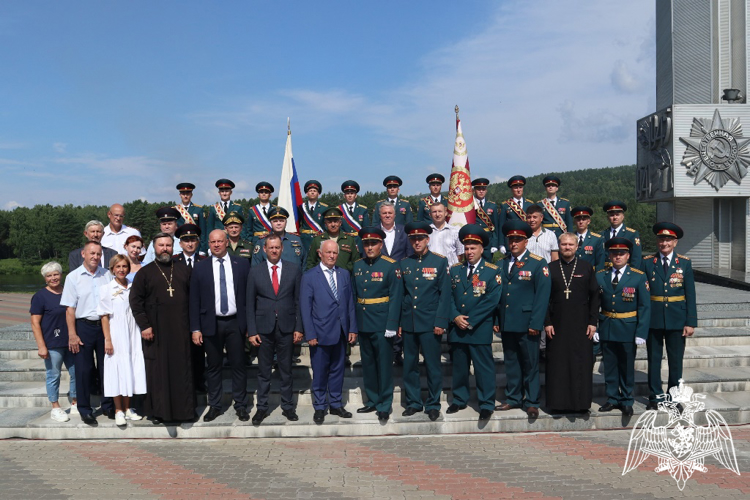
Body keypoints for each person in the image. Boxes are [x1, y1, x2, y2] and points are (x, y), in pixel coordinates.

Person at [130, 232, 196, 424]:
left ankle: (184, 412)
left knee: (181, 371)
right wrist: (145, 325)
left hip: (181, 330)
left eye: (168, 245)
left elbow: (194, 299)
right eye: (161, 245)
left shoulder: (184, 269)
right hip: (155, 332)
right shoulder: (145, 272)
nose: (165, 249)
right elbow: (135, 301)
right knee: (157, 373)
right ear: (154, 248)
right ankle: (159, 413)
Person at [190, 229, 251, 422]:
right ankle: (215, 405)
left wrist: (250, 326)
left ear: (227, 242)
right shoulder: (200, 267)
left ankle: (241, 405)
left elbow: (248, 298)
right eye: (212, 241)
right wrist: (195, 328)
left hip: (235, 323)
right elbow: (194, 300)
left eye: (220, 241)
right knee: (214, 367)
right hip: (211, 323)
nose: (216, 245)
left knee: (238, 365)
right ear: (208, 244)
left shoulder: (241, 264)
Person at [246, 234, 304, 425]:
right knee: (263, 371)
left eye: (277, 247)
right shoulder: (255, 271)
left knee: (286, 370)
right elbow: (249, 304)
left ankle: (288, 407)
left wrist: (298, 327)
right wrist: (252, 331)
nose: (274, 250)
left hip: (287, 328)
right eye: (270, 248)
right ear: (264, 249)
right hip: (263, 329)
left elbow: (298, 301)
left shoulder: (294, 270)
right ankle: (262, 408)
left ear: (282, 249)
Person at [496, 220, 551, 419]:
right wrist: (497, 319)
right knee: (511, 362)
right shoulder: (501, 263)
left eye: (518, 240)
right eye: (511, 240)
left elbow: (542, 296)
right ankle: (513, 397)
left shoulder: (538, 263)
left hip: (529, 324)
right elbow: (498, 294)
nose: (514, 243)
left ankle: (532, 401)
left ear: (526, 242)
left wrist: (537, 323)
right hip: (508, 322)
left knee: (530, 364)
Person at [447, 225, 502, 421]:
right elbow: (448, 297)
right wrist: (455, 316)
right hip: (457, 328)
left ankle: (486, 403)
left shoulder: (492, 271)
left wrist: (469, 321)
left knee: (483, 369)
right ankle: (460, 399)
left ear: (481, 249)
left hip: (478, 328)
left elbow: (491, 300)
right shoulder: (455, 270)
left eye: (473, 248)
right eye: (466, 248)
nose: (469, 252)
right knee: (460, 367)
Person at [299, 239, 358, 424]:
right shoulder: (309, 276)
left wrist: (352, 328)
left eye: (334, 253)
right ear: (320, 253)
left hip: (341, 332)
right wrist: (310, 334)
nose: (332, 256)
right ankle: (320, 406)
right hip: (320, 333)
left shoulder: (344, 274)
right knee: (320, 372)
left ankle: (336, 404)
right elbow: (305, 308)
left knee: (338, 371)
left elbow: (350, 304)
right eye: (328, 252)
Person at [640, 222, 696, 410]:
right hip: (653, 318)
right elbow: (643, 293)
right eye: (661, 239)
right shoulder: (647, 262)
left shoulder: (684, 263)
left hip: (677, 319)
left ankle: (674, 398)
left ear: (675, 242)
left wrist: (691, 322)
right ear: (657, 241)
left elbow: (690, 294)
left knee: (675, 360)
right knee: (654, 359)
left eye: (668, 240)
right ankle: (655, 397)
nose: (664, 243)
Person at [399, 222, 450, 422]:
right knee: (409, 365)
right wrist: (400, 322)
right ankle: (413, 402)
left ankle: (433, 403)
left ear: (427, 239)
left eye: (420, 238)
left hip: (430, 323)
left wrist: (440, 321)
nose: (417, 242)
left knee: (432, 365)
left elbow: (444, 295)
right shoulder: (405, 263)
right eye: (413, 239)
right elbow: (403, 295)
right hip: (410, 322)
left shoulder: (439, 262)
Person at [544, 233, 599, 413]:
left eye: (570, 245)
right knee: (557, 364)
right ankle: (557, 404)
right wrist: (547, 322)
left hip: (582, 325)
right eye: (564, 244)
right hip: (557, 325)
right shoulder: (550, 268)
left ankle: (580, 404)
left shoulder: (586, 267)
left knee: (580, 363)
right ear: (559, 246)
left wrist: (593, 322)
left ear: (577, 247)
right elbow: (544, 299)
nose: (567, 247)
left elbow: (595, 296)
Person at [60, 241, 114, 425]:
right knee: (84, 369)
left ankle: (108, 405)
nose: (95, 257)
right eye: (92, 253)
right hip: (83, 326)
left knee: (107, 366)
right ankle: (85, 409)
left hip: (104, 325)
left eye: (98, 254)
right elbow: (69, 309)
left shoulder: (107, 275)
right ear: (83, 254)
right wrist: (72, 334)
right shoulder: (73, 277)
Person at [596, 237, 650, 417]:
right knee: (610, 366)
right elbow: (594, 303)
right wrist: (596, 327)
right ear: (609, 255)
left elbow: (644, 306)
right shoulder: (600, 275)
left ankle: (627, 399)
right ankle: (612, 398)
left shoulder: (638, 276)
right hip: (607, 326)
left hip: (628, 328)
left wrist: (641, 332)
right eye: (614, 253)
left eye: (621, 253)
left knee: (626, 366)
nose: (617, 256)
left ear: (628, 255)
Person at [352, 227, 402, 422]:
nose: (370, 247)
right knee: (369, 364)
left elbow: (396, 297)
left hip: (382, 324)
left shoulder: (391, 266)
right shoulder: (357, 266)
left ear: (381, 244)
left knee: (383, 365)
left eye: (373, 243)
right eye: (366, 244)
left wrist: (392, 324)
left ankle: (384, 404)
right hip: (364, 322)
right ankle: (372, 400)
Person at [97, 255, 146, 426]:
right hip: (116, 332)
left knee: (130, 368)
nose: (121, 270)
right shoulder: (106, 289)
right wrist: (107, 339)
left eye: (124, 266)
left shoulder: (133, 287)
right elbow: (104, 316)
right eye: (117, 266)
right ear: (112, 269)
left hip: (132, 332)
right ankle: (118, 409)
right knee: (117, 369)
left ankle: (128, 408)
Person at [30, 261, 77, 422]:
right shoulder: (40, 297)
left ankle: (75, 402)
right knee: (53, 375)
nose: (53, 278)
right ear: (45, 279)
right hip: (52, 344)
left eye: (56, 274)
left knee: (76, 372)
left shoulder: (69, 291)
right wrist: (41, 346)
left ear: (61, 274)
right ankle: (55, 407)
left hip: (71, 341)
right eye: (49, 276)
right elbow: (35, 323)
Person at [172, 223, 207, 392]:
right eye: (186, 240)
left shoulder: (205, 261)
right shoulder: (173, 262)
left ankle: (199, 382)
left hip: (201, 313)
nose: (190, 244)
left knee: (199, 352)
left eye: (193, 240)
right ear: (180, 244)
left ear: (198, 242)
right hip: (179, 314)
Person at [306, 207, 358, 272]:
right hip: (322, 278)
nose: (333, 225)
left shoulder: (349, 240)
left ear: (340, 223)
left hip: (343, 278)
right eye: (330, 222)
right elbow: (310, 262)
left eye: (336, 221)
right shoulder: (317, 240)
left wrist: (347, 270)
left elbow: (356, 262)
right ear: (325, 224)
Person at [497, 175, 534, 253]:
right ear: (512, 189)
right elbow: (501, 225)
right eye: (516, 188)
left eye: (520, 187)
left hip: (527, 239)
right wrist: (501, 244)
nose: (518, 190)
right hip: (511, 240)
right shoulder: (505, 205)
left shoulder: (530, 204)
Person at [602, 200, 642, 265]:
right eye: (612, 215)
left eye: (617, 215)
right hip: (606, 272)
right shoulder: (602, 235)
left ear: (623, 216)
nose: (615, 217)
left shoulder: (632, 234)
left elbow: (636, 258)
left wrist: (632, 274)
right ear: (608, 217)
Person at [174, 182, 208, 255]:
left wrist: (202, 249)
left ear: (191, 195)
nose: (185, 196)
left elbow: (203, 232)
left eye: (188, 194)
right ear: (180, 195)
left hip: (195, 245)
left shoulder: (199, 209)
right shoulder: (175, 210)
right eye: (183, 194)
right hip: (180, 244)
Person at [338, 180, 369, 255]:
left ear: (356, 195)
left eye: (352, 193)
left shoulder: (363, 209)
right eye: (347, 193)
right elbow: (338, 228)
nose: (349, 195)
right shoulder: (339, 210)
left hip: (359, 242)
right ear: (344, 196)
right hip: (344, 242)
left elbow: (366, 228)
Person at [428, 203, 463, 267]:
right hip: (431, 270)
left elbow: (460, 254)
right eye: (434, 212)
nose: (437, 214)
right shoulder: (426, 232)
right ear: (430, 214)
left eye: (440, 211)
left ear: (446, 213)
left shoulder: (455, 231)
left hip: (450, 271)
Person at [472, 178, 499, 260]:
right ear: (474, 190)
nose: (481, 191)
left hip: (488, 241)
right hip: (474, 238)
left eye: (483, 189)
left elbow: (495, 227)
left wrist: (494, 244)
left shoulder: (492, 205)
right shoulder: (470, 205)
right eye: (478, 189)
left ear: (486, 191)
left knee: (488, 266)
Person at [298, 180, 327, 251]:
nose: (312, 192)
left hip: (319, 237)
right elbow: (297, 223)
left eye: (315, 191)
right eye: (310, 190)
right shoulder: (301, 207)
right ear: (307, 193)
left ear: (318, 194)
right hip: (304, 239)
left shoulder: (325, 208)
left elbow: (326, 225)